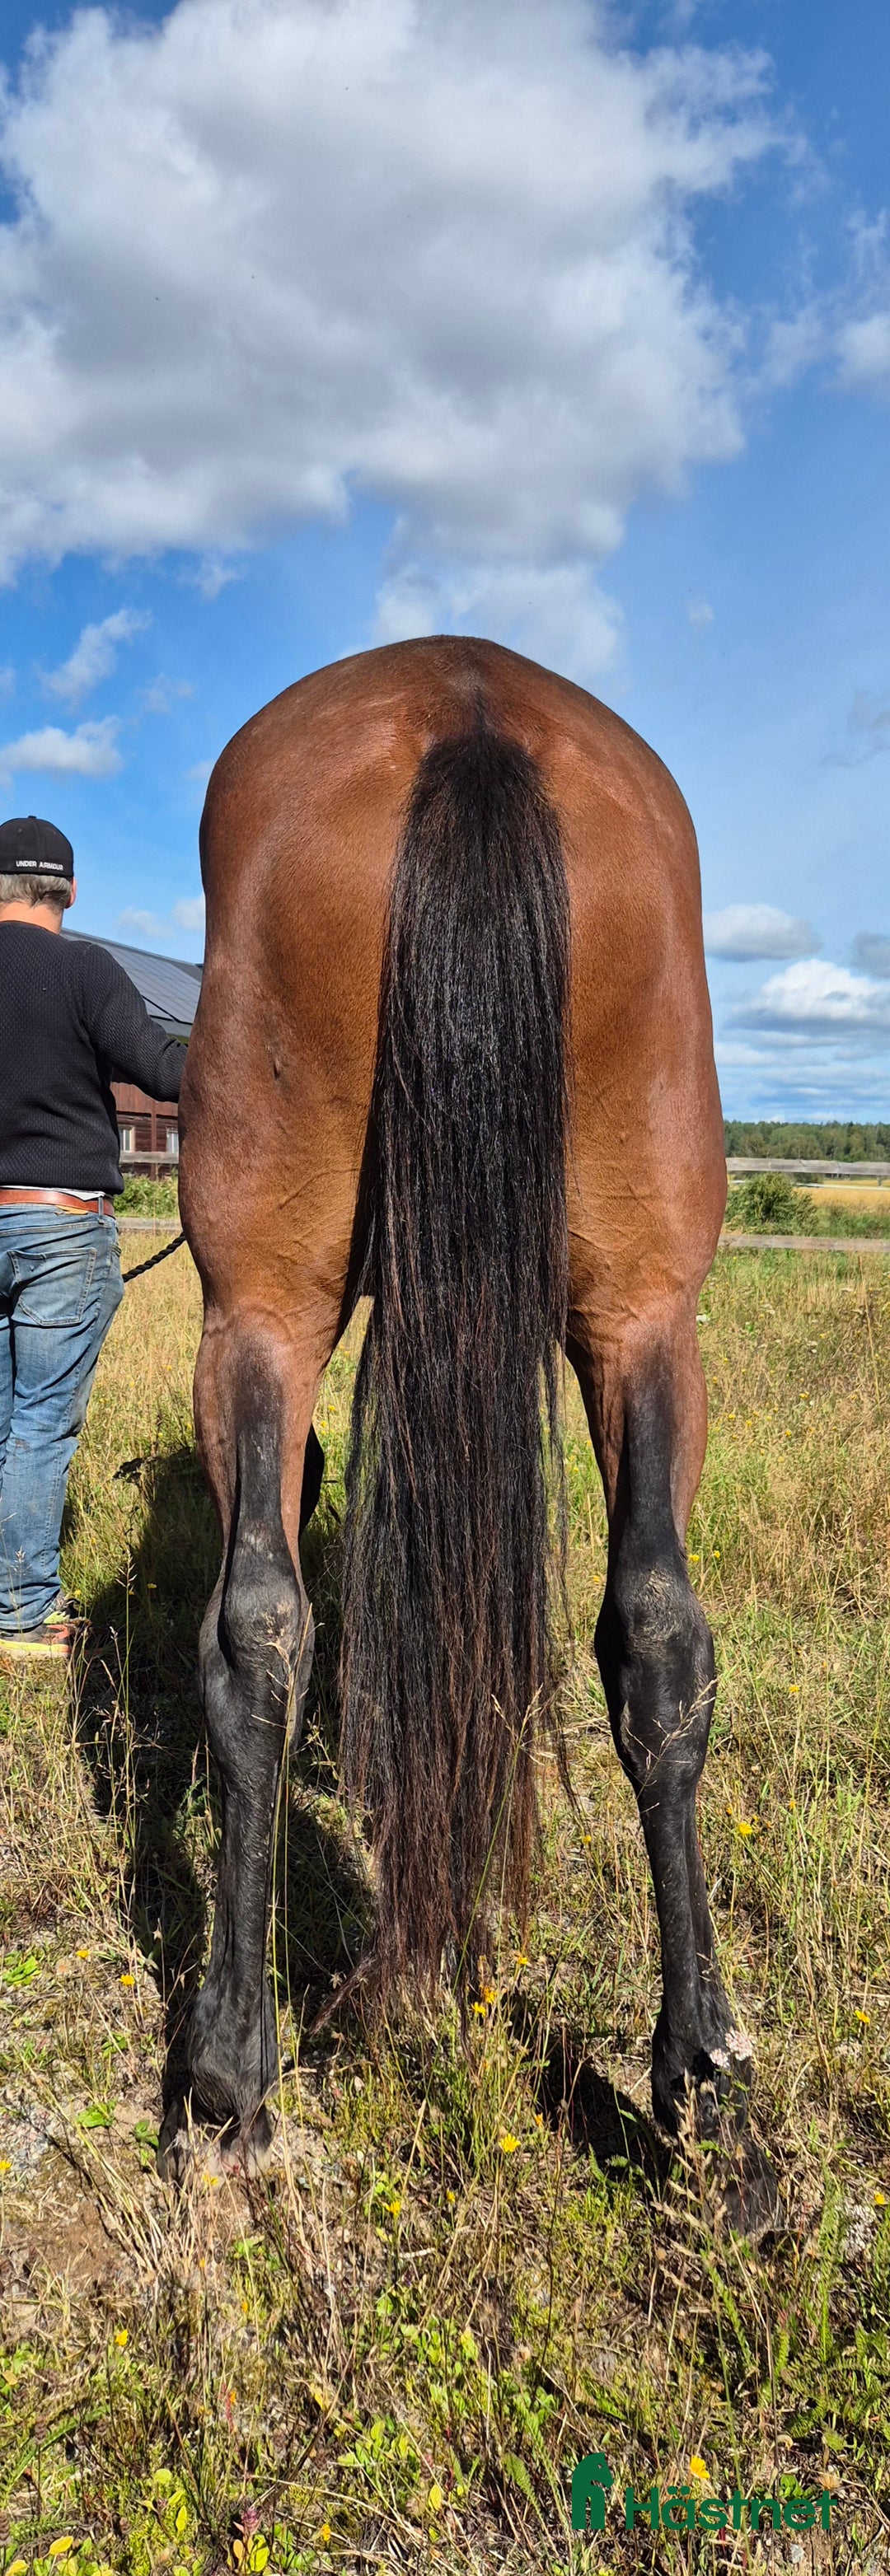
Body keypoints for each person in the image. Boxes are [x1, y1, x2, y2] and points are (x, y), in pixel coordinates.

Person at [0, 813, 186, 1663]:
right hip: (60, 1221)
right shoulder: (85, 969)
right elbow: (163, 1071)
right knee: (39, 1424)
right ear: (70, 892)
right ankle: (24, 1615)